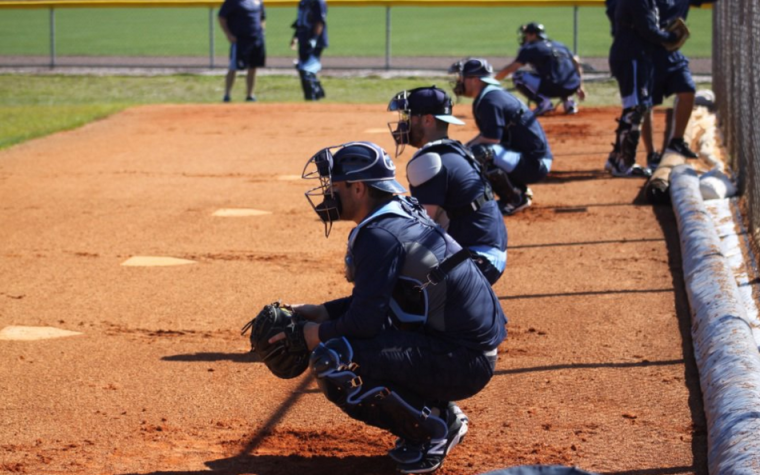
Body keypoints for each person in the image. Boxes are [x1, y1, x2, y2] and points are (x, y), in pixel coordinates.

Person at [283, 141, 506, 474]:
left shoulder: (378, 235)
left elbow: (365, 322)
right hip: (464, 349)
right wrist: (324, 311)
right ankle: (440, 413)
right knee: (361, 335)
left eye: (335, 186)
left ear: (358, 188)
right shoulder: (398, 213)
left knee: (336, 358)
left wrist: (309, 335)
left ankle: (432, 433)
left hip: (463, 359)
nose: (328, 194)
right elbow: (384, 299)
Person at [387, 86, 508, 285]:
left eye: (409, 117)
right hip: (488, 255)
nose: (403, 124)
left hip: (477, 261)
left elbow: (421, 229)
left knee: (392, 275)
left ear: (427, 120)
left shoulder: (429, 161)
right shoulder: (456, 150)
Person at [449, 58, 553, 216]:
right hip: (531, 159)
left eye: (462, 77)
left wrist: (464, 149)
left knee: (479, 153)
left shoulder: (489, 101)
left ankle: (514, 199)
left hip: (534, 164)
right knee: (477, 151)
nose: (459, 82)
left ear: (475, 80)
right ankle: (519, 190)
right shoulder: (492, 95)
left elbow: (492, 138)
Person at [604, 0, 685, 177]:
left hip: (633, 55)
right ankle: (624, 164)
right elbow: (647, 29)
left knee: (634, 108)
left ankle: (616, 158)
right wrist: (671, 37)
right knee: (635, 109)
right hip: (631, 55)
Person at [640, 0, 714, 168]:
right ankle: (652, 154)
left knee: (687, 90)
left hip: (672, 55)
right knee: (647, 104)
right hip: (648, 54)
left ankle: (677, 141)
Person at [494, 22, 586, 116]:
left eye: (526, 34)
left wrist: (493, 80)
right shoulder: (559, 45)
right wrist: (580, 86)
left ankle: (543, 102)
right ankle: (569, 103)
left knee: (518, 76)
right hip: (572, 87)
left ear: (533, 35)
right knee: (559, 72)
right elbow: (576, 63)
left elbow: (512, 68)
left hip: (553, 87)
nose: (524, 37)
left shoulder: (531, 48)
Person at [218, 0, 266, 103]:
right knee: (233, 67)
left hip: (256, 39)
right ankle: (227, 95)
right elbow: (222, 17)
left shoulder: (257, 1)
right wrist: (228, 34)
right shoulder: (233, 2)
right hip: (240, 39)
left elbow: (262, 17)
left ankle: (250, 95)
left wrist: (262, 31)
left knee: (253, 67)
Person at [291, 0, 328, 101]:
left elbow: (320, 21)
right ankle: (316, 93)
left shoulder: (318, 2)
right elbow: (300, 21)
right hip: (303, 38)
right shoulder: (303, 2)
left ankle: (313, 96)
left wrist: (314, 39)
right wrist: (295, 37)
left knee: (306, 70)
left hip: (315, 40)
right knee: (303, 68)